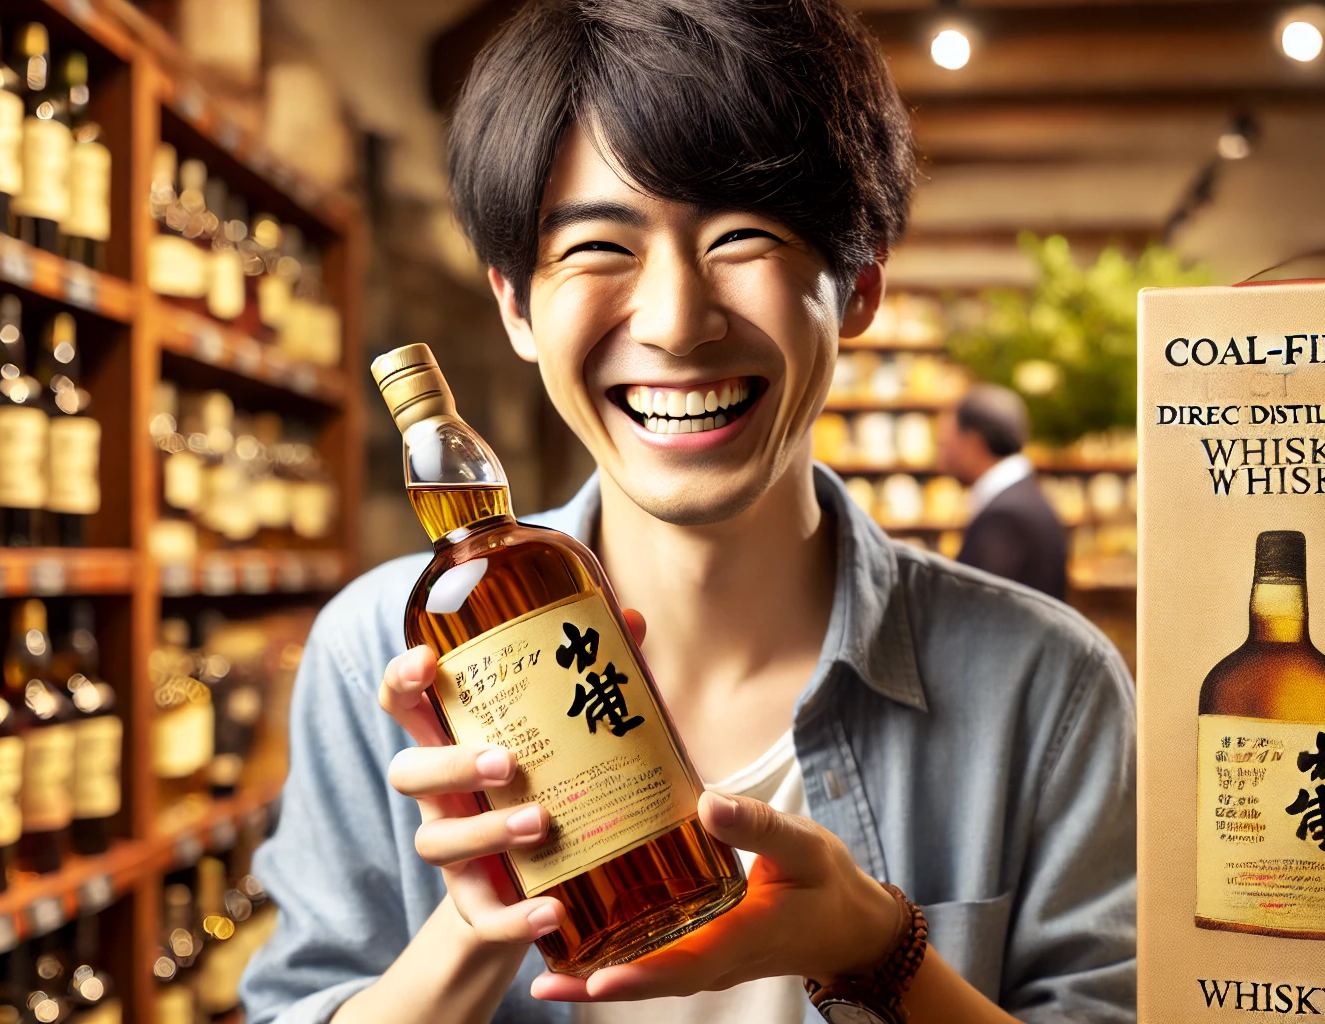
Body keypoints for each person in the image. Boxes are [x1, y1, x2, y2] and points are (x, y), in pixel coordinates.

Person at [240, 2, 1135, 1023]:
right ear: (514, 306)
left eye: (742, 236)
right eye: (595, 249)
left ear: (856, 289)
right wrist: (474, 932)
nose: (674, 324)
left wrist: (880, 953)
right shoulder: (380, 659)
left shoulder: (1047, 687)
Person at [940, 384, 1070, 600]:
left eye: (946, 444)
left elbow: (976, 607)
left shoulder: (1006, 515)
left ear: (972, 443)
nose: (942, 456)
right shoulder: (1021, 497)